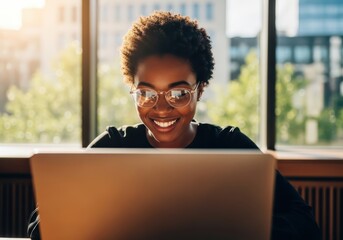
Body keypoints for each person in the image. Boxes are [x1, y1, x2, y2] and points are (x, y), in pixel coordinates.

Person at [28, 11, 321, 240]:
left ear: (201, 89)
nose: (162, 107)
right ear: (133, 89)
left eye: (179, 93)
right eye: (146, 93)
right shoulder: (112, 146)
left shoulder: (229, 145)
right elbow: (39, 227)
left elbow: (305, 223)